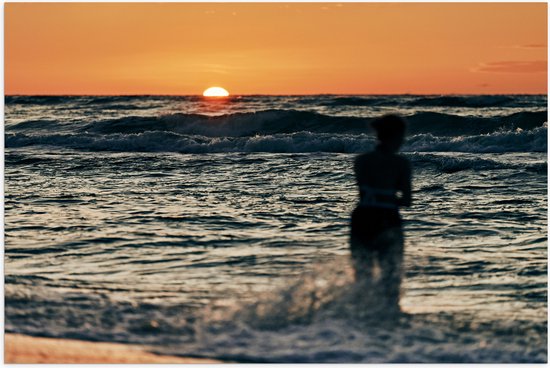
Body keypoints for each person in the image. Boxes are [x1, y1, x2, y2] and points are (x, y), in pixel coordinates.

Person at [350, 114, 412, 312]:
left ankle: (362, 313)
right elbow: (407, 201)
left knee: (363, 273)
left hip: (362, 217)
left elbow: (364, 192)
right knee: (390, 275)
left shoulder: (361, 161)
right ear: (396, 136)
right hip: (388, 219)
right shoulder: (401, 164)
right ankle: (388, 317)